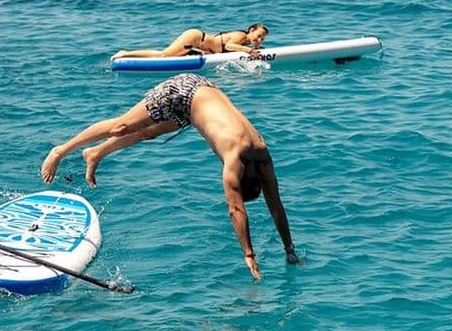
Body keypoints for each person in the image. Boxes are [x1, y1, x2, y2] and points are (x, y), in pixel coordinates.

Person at [40, 73, 299, 279]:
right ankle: (61, 151)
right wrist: (249, 255)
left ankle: (95, 153)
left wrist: (289, 248)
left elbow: (275, 205)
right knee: (121, 126)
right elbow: (235, 209)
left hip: (204, 95)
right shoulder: (235, 158)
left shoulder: (262, 156)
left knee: (147, 133)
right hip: (184, 91)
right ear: (242, 180)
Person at [111, 23, 269, 60]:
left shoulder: (244, 42)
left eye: (262, 38)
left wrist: (257, 48)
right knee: (164, 55)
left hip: (199, 46)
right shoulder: (241, 36)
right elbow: (228, 46)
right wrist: (249, 51)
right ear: (251, 30)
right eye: (258, 35)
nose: (259, 39)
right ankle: (126, 53)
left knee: (166, 56)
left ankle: (127, 54)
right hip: (195, 38)